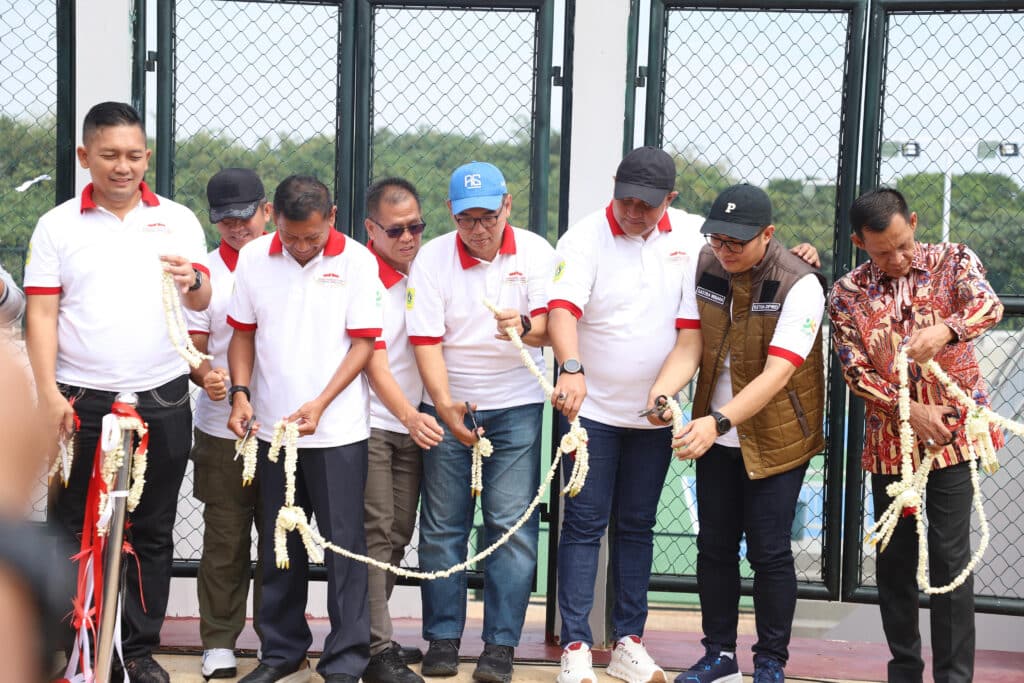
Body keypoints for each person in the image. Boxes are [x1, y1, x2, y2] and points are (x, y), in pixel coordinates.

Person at [24, 101, 211, 683]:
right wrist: (49, 394)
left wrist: (194, 281)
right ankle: (74, 644)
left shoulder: (178, 219)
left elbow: (203, 299)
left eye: (133, 155)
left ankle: (137, 649)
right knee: (72, 524)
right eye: (109, 155)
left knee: (151, 527)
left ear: (146, 156)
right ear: (85, 156)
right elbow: (42, 314)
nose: (122, 166)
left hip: (161, 396)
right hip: (81, 399)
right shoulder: (57, 225)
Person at [647, 184, 826, 683]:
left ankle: (770, 661)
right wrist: (662, 393)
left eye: (736, 242)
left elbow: (778, 373)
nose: (724, 250)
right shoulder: (704, 263)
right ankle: (719, 656)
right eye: (717, 238)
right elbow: (690, 345)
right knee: (715, 548)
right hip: (714, 436)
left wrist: (719, 420)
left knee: (769, 552)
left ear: (767, 234)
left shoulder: (800, 284)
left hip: (776, 438)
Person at [829, 188, 1004, 683]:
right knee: (895, 560)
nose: (898, 259)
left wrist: (948, 329)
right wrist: (909, 412)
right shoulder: (845, 293)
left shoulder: (954, 260)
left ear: (914, 222)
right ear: (859, 243)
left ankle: (954, 677)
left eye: (903, 245)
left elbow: (989, 306)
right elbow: (855, 371)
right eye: (883, 252)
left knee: (950, 557)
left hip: (954, 436)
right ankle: (904, 671)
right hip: (891, 444)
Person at [547, 146, 705, 683]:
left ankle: (627, 643)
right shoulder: (584, 237)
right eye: (626, 200)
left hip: (652, 416)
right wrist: (571, 368)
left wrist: (664, 394)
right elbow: (562, 310)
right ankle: (575, 646)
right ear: (614, 186)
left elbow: (691, 333)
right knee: (584, 525)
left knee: (637, 526)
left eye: (647, 205)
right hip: (591, 413)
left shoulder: (692, 237)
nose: (634, 212)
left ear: (671, 199)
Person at [226, 174, 383, 683]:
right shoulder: (254, 258)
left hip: (337, 432)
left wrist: (321, 403)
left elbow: (363, 345)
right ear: (273, 217)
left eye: (312, 237)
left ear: (332, 218)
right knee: (279, 546)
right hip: (273, 431)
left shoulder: (357, 261)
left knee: (343, 548)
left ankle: (345, 660)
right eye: (291, 236)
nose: (300, 247)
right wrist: (241, 393)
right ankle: (281, 652)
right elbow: (242, 335)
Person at [406, 161, 556, 683]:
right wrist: (444, 405)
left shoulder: (535, 252)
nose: (478, 228)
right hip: (448, 403)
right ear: (450, 212)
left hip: (516, 405)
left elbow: (555, 325)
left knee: (510, 525)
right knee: (442, 526)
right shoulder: (432, 259)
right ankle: (442, 639)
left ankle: (500, 646)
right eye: (466, 218)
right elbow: (425, 340)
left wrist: (526, 325)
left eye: (488, 216)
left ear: (507, 206)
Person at [185, 168, 272, 680]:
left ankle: (277, 642)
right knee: (225, 539)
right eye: (225, 220)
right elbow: (194, 349)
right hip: (222, 429)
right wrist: (208, 376)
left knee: (281, 540)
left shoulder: (290, 259)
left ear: (267, 210)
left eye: (245, 216)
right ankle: (219, 641)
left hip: (286, 427)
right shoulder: (205, 273)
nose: (237, 228)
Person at [359, 177, 444, 683]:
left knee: (397, 535)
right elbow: (373, 364)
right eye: (396, 230)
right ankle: (375, 648)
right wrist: (411, 416)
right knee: (376, 533)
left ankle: (373, 636)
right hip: (371, 422)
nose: (409, 237)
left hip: (414, 422)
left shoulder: (427, 271)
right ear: (371, 229)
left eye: (416, 226)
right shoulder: (362, 278)